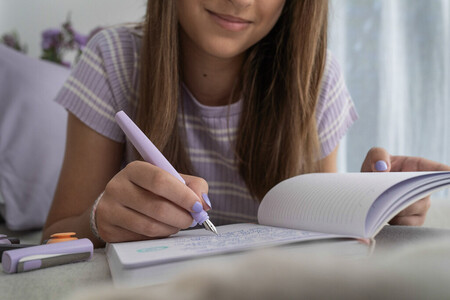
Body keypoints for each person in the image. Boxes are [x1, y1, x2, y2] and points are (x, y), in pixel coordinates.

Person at [42, 0, 449, 248]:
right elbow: (55, 237)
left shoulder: (317, 78)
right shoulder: (112, 60)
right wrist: (100, 220)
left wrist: (372, 206)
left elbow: (323, 239)